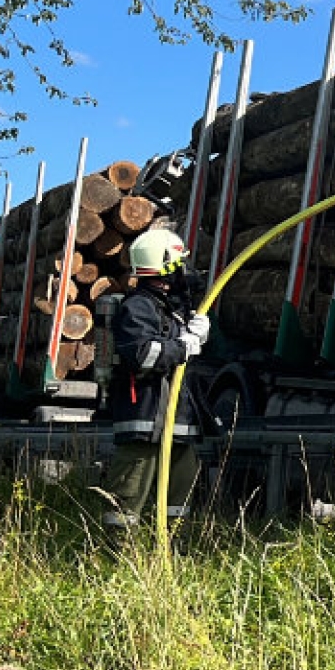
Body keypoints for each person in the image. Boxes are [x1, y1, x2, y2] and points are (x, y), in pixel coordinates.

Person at [103, 227, 210, 533]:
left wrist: (194, 335)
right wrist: (184, 344)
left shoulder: (169, 309)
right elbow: (143, 356)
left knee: (180, 501)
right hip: (145, 424)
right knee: (125, 506)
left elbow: (176, 354)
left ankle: (174, 557)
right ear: (166, 267)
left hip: (174, 425)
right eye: (180, 264)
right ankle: (116, 566)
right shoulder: (137, 307)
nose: (185, 272)